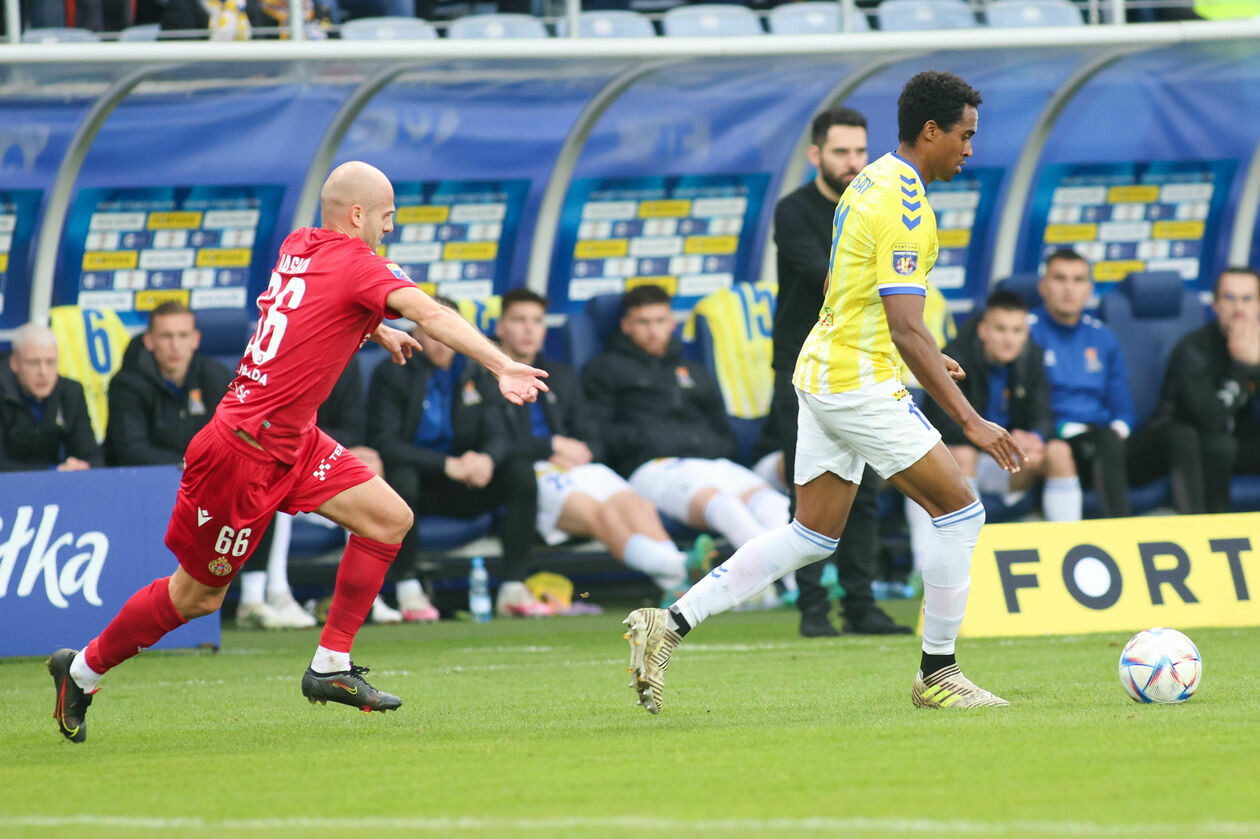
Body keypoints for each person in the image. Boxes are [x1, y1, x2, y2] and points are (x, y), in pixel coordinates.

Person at [46, 161, 548, 743]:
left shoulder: (300, 244)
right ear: (357, 215)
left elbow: (307, 310)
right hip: (242, 451)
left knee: (389, 520)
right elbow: (431, 312)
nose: (389, 230)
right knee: (198, 596)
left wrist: (373, 326)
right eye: (386, 218)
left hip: (295, 439)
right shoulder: (361, 264)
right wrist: (502, 363)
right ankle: (79, 670)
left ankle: (330, 664)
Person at [622, 71, 1025, 715]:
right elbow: (900, 323)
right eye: (965, 135)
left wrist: (918, 345)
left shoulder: (871, 178)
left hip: (824, 370)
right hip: (858, 383)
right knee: (960, 511)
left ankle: (667, 624)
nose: (970, 149)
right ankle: (939, 673)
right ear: (931, 130)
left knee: (812, 535)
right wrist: (970, 421)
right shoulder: (906, 206)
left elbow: (863, 298)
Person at [771, 105, 910, 638]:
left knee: (869, 489)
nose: (853, 163)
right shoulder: (793, 211)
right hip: (801, 370)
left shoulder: (874, 207)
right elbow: (829, 278)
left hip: (861, 365)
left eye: (860, 151)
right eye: (841, 152)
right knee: (808, 488)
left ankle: (860, 603)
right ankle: (812, 611)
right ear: (816, 155)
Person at [483, 287, 715, 604]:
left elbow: (591, 428)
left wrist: (586, 449)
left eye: (536, 321)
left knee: (638, 506)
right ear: (500, 328)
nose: (528, 329)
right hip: (529, 471)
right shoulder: (483, 376)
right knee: (604, 514)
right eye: (519, 320)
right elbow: (490, 441)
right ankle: (679, 568)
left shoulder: (560, 374)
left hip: (576, 463)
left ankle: (676, 588)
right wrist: (549, 445)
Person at [582, 284, 791, 586]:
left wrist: (708, 446)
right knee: (727, 507)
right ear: (626, 325)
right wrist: (652, 439)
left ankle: (801, 586)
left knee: (776, 506)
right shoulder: (604, 369)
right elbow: (598, 433)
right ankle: (772, 585)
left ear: (672, 323)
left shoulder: (692, 369)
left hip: (711, 463)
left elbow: (723, 430)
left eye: (659, 321)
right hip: (654, 467)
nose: (653, 330)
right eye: (643, 322)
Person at [369, 297, 541, 613]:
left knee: (520, 474)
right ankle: (408, 589)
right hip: (421, 482)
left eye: (447, 334)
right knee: (400, 479)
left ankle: (513, 588)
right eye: (430, 332)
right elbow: (386, 443)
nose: (439, 343)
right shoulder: (393, 371)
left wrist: (487, 458)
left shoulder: (474, 370)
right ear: (415, 333)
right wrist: (446, 465)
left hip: (466, 482)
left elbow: (502, 433)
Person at [913, 289, 1080, 549]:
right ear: (983, 331)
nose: (1009, 340)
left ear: (1025, 333)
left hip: (1003, 464)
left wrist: (1033, 439)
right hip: (957, 465)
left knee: (1058, 452)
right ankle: (971, 555)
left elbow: (1044, 414)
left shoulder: (1031, 356)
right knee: (963, 454)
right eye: (1001, 329)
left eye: (1016, 331)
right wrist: (995, 441)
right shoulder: (955, 358)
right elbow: (939, 426)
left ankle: (1069, 550)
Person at [1028, 248, 1136, 517]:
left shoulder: (1103, 336)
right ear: (1043, 286)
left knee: (1175, 438)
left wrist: (1119, 431)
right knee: (1103, 443)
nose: (1069, 289)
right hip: (1056, 441)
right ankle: (1120, 530)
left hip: (1105, 441)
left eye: (1077, 280)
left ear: (1089, 288)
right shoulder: (1026, 332)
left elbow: (1122, 403)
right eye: (1060, 278)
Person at [1146, 266, 1260, 513]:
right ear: (1215, 305)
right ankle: (1217, 535)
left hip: (1237, 442)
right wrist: (1242, 367)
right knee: (1220, 447)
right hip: (1189, 444)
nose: (1239, 308)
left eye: (1247, 299)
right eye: (1229, 298)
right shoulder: (1193, 348)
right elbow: (1212, 420)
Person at [107, 302, 233, 467]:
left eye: (183, 335)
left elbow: (232, 438)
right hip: (142, 480)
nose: (175, 346)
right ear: (149, 341)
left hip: (201, 478)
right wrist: (190, 464)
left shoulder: (216, 375)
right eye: (166, 336)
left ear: (196, 339)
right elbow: (133, 451)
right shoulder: (126, 384)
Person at [1, 322, 103, 473]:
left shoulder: (71, 392)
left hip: (58, 487)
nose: (43, 372)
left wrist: (81, 467)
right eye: (33, 363)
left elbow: (93, 457)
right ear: (14, 363)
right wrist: (54, 471)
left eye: (50, 362)